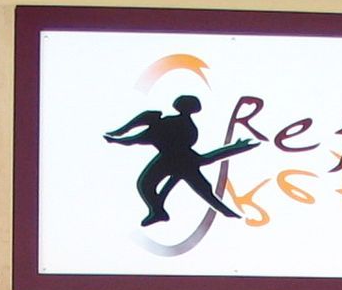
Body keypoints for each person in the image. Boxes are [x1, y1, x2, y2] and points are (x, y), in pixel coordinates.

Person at [104, 93, 257, 226]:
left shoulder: (175, 124)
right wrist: (118, 140)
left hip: (176, 160)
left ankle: (232, 216)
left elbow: (138, 138)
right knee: (146, 185)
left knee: (204, 193)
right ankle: (158, 211)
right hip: (170, 160)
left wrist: (118, 140)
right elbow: (138, 138)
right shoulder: (177, 124)